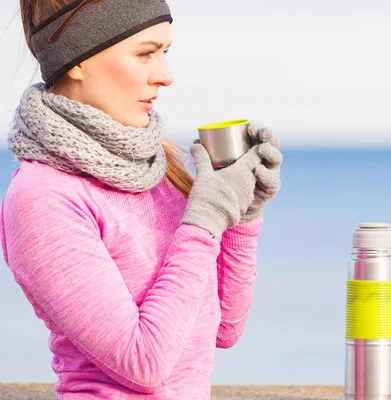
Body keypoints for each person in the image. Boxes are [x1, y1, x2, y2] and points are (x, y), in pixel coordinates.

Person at [0, 0, 282, 398]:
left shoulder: (160, 167)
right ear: (77, 59)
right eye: (146, 53)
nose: (165, 76)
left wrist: (242, 215)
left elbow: (224, 329)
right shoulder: (43, 198)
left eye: (164, 53)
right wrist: (205, 218)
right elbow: (143, 365)